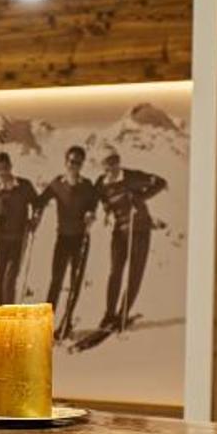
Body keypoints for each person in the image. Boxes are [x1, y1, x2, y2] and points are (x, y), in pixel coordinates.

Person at [95, 149, 167, 333]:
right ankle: (109, 314)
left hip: (140, 228)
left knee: (134, 274)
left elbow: (160, 182)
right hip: (119, 231)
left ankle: (123, 314)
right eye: (108, 163)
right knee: (115, 272)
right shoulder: (101, 183)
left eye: (115, 161)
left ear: (119, 161)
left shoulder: (132, 177)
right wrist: (107, 210)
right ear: (102, 166)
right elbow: (102, 199)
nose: (112, 166)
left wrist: (139, 198)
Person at [41, 144, 99, 341]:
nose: (74, 165)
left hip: (81, 238)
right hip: (63, 239)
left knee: (75, 283)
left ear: (82, 164)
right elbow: (41, 200)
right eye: (72, 161)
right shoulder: (57, 184)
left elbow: (94, 202)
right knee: (56, 281)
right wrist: (34, 214)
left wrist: (91, 213)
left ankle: (66, 323)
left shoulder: (87, 186)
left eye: (78, 162)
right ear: (66, 162)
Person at [0, 152, 38, 302]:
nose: (3, 172)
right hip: (1, 240)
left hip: (18, 239)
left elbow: (37, 203)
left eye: (5, 168)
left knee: (9, 281)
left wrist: (34, 219)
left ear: (10, 166)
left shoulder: (24, 186)